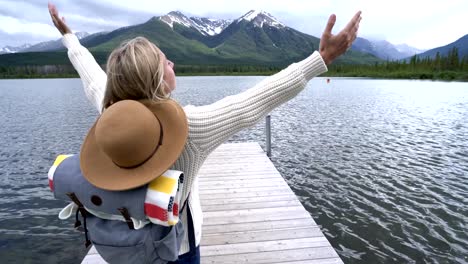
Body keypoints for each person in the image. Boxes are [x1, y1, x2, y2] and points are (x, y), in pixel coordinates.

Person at [48, 3, 361, 263]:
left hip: (126, 249)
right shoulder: (189, 127)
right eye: (162, 60)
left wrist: (70, 40)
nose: (171, 61)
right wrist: (321, 59)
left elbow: (91, 78)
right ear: (155, 80)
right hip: (177, 250)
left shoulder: (110, 117)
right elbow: (254, 100)